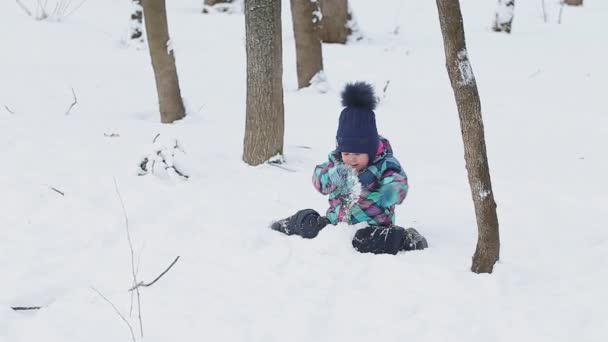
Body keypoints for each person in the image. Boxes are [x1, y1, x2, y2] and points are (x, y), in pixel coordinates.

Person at [271, 82, 427, 255]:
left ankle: (405, 238)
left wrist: (393, 190)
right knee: (311, 226)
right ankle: (289, 223)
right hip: (335, 226)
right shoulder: (337, 163)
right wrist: (331, 176)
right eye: (346, 152)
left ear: (370, 150)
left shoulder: (384, 164)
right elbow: (318, 179)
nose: (351, 159)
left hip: (371, 227)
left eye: (358, 153)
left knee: (369, 242)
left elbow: (397, 178)